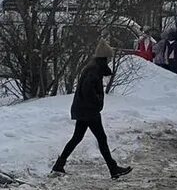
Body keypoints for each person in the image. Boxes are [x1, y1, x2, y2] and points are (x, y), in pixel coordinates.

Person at [51, 40, 132, 179]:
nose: (109, 61)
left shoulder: (94, 68)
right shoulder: (94, 70)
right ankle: (113, 169)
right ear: (104, 58)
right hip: (89, 110)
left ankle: (59, 165)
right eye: (108, 58)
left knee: (77, 138)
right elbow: (87, 89)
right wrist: (97, 101)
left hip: (84, 109)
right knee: (101, 138)